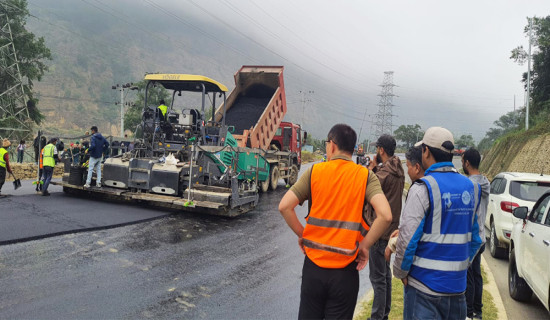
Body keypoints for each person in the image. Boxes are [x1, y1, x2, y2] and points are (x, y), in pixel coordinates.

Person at [278, 123, 392, 319]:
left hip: (313, 268)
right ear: (353, 148)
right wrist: (365, 246)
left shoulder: (315, 172)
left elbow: (284, 206)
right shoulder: (365, 176)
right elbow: (386, 215)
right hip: (346, 272)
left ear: (331, 145)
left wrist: (302, 234)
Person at [393, 127, 482, 320]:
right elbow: (477, 239)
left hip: (423, 292)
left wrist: (400, 272)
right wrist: (460, 267)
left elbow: (407, 240)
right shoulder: (472, 188)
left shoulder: (422, 188)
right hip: (458, 292)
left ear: (426, 152)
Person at [366, 134, 405, 320]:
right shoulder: (398, 169)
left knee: (377, 279)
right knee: (385, 277)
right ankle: (384, 314)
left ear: (381, 150)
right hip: (391, 231)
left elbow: (366, 188)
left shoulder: (382, 173)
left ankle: (377, 317)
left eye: (377, 149)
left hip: (379, 231)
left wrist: (371, 169)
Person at [384, 145, 426, 262]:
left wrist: (400, 270)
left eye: (408, 166)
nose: (407, 171)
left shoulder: (418, 190)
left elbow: (410, 235)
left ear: (417, 167)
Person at [462, 148, 490, 320]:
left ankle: (469, 313)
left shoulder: (471, 185)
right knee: (476, 275)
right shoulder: (485, 182)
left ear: (466, 163)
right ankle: (478, 311)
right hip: (482, 237)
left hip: (473, 238)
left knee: (469, 276)